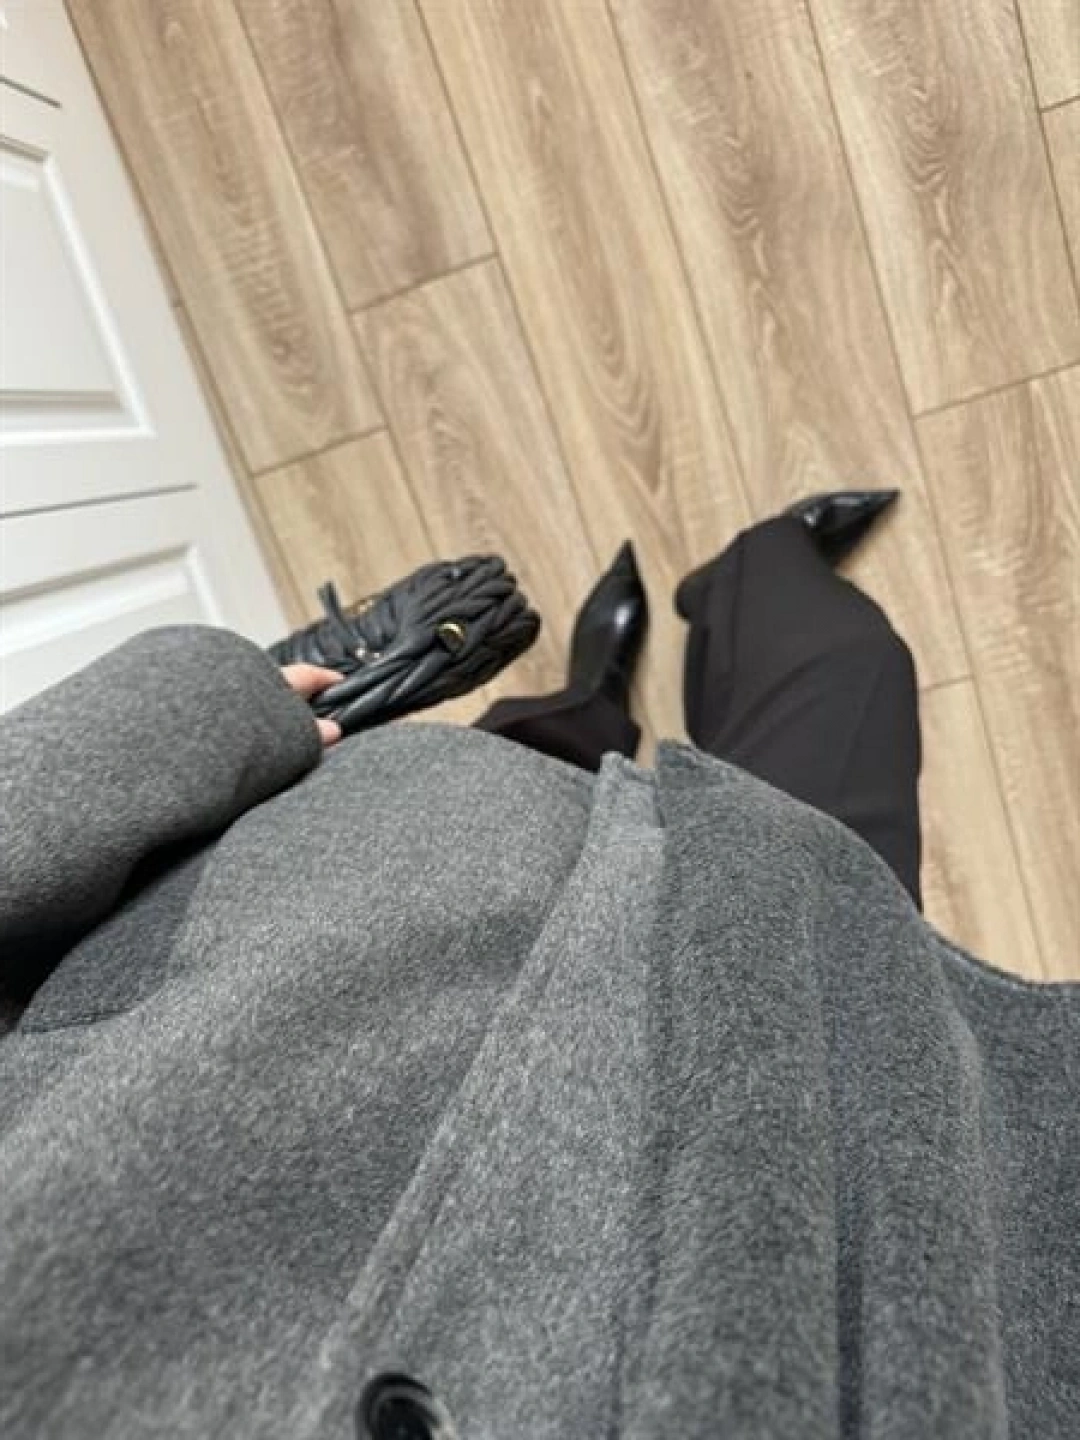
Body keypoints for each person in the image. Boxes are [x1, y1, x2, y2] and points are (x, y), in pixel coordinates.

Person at [0, 495, 1076, 1440]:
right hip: (811, 1178)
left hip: (372, 927)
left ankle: (596, 687)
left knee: (542, 754)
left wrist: (216, 712)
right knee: (841, 667)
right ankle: (753, 565)